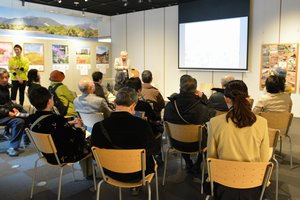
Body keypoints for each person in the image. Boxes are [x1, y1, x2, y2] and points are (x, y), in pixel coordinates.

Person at [207, 80, 269, 199]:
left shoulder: (215, 123)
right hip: (253, 184)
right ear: (248, 98)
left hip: (223, 184)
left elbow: (211, 158)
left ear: (226, 99)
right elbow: (264, 159)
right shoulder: (262, 123)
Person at [91, 87, 155, 182]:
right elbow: (151, 150)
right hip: (138, 173)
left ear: (114, 103)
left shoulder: (98, 127)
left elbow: (94, 155)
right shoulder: (143, 125)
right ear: (133, 105)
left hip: (109, 172)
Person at [27, 87, 92, 178]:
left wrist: (67, 124)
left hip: (47, 154)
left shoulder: (31, 119)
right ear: (49, 101)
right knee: (91, 139)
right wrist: (79, 127)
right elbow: (78, 138)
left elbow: (49, 128)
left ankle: (89, 173)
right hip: (63, 155)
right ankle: (91, 174)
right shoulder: (57, 120)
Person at [164, 74, 216, 172]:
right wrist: (204, 98)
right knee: (206, 133)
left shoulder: (170, 105)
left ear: (180, 88)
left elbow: (165, 119)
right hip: (198, 145)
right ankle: (198, 163)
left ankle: (188, 161)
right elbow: (213, 115)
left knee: (183, 131)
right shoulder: (201, 107)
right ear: (195, 90)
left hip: (176, 143)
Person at [0, 68, 25, 157]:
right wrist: (8, 113)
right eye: (2, 78)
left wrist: (14, 109)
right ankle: (12, 147)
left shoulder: (6, 88)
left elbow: (8, 103)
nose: (5, 80)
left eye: (6, 77)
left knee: (24, 113)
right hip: (1, 115)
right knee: (18, 121)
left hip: (3, 113)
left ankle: (26, 138)